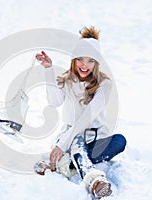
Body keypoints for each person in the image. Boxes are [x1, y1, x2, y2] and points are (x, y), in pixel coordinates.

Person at [34, 26, 127, 198]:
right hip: (70, 137)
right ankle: (93, 180)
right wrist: (48, 70)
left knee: (120, 141)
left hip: (94, 139)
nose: (85, 65)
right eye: (80, 60)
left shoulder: (104, 84)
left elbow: (88, 117)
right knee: (77, 140)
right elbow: (54, 101)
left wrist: (61, 146)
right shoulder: (66, 80)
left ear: (96, 63)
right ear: (74, 60)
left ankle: (64, 163)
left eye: (90, 61)